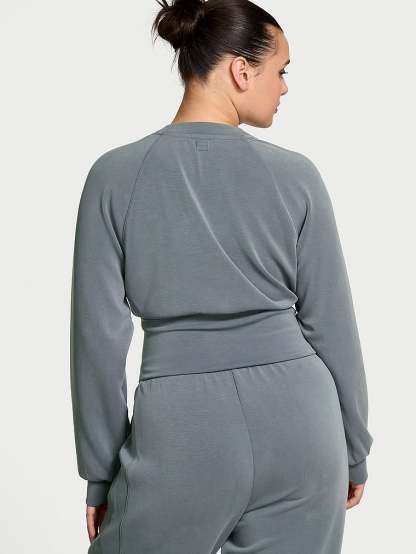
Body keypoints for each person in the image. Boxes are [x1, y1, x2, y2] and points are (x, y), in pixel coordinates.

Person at [70, 0, 373, 552]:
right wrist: (354, 447)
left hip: (182, 428)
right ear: (241, 71)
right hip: (304, 428)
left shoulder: (114, 176)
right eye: (280, 70)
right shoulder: (297, 176)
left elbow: (98, 341)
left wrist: (100, 471)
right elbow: (331, 324)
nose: (284, 87)